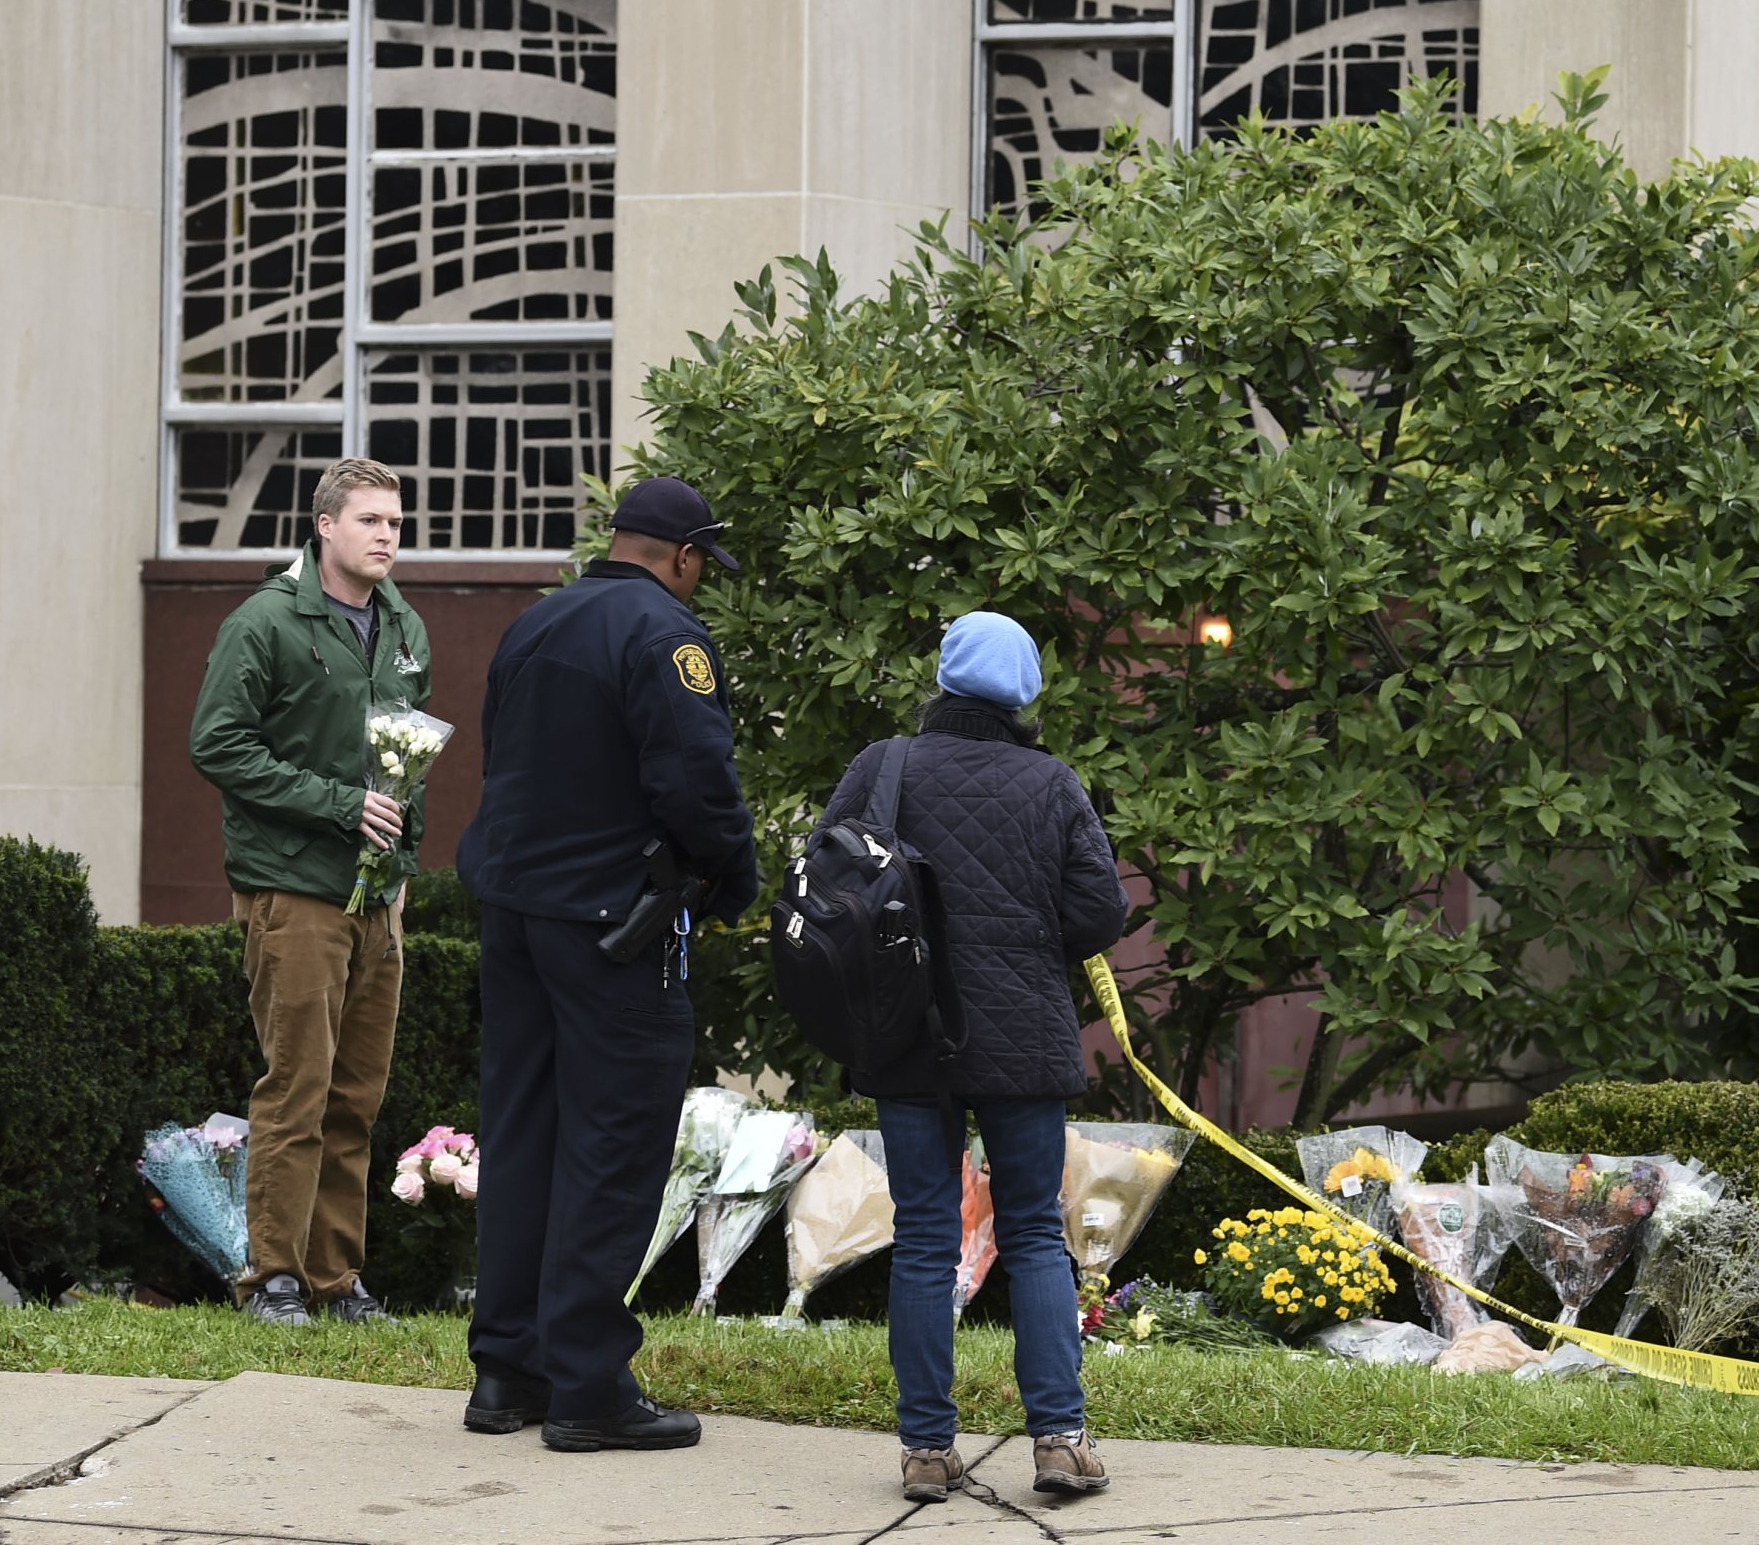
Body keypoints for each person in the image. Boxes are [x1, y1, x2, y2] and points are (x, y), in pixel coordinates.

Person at [457, 476, 759, 1452]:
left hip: (515, 914)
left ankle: (508, 1369)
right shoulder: (664, 635)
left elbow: (501, 757)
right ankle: (587, 1385)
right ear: (681, 556)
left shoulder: (534, 624)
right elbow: (695, 778)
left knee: (521, 1130)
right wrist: (732, 881)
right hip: (613, 929)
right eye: (702, 565)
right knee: (612, 1142)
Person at [807, 610, 1130, 1503]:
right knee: (1032, 1234)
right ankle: (1060, 1441)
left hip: (906, 1035)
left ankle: (925, 1451)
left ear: (945, 679)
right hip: (1022, 1036)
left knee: (922, 1236)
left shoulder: (883, 767)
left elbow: (827, 875)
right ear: (1026, 692)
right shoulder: (1052, 782)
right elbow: (1101, 915)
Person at [188, 456, 432, 1328]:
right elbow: (217, 744)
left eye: (395, 523)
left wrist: (403, 850)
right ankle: (273, 1279)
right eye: (370, 521)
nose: (387, 536)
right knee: (298, 1087)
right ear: (324, 526)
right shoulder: (265, 623)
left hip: (379, 902)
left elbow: (411, 760)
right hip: (293, 893)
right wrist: (336, 805)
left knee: (357, 1097)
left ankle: (336, 1280)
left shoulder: (405, 629)